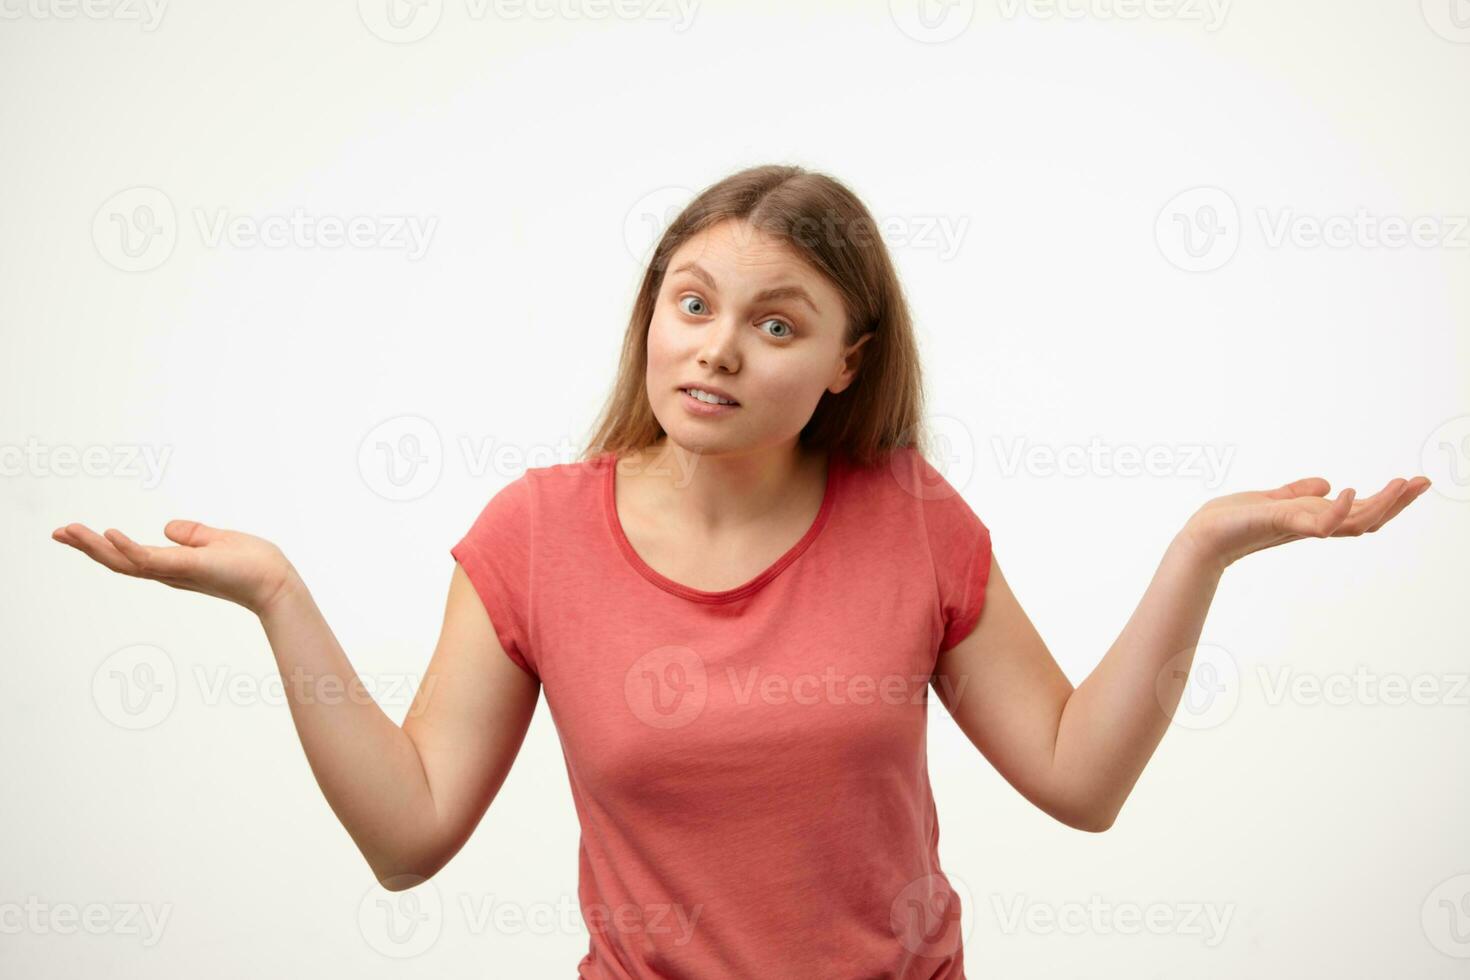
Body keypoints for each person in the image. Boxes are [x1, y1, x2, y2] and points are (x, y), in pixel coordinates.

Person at [52, 164, 1430, 978]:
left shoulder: (908, 517)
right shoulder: (535, 532)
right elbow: (407, 836)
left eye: (776, 323)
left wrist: (1200, 551)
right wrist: (278, 597)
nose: (716, 349)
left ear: (843, 362)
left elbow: (1079, 780)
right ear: (652, 315)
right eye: (693, 304)